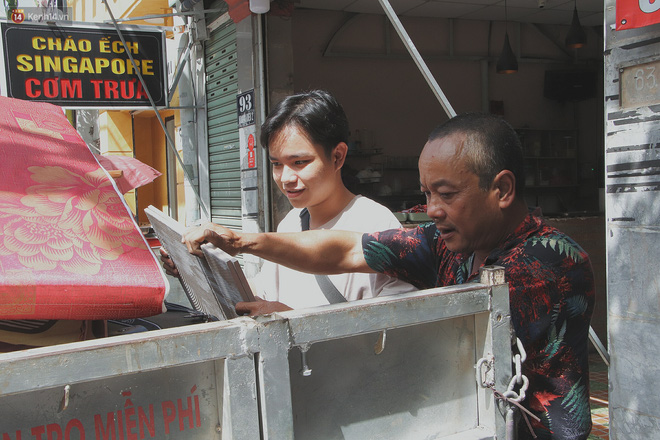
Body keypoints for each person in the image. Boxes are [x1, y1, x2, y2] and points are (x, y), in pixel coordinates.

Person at [181, 113, 595, 439]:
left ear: (502, 190)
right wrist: (240, 241)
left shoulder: (547, 263)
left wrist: (295, 326)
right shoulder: (445, 242)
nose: (432, 209)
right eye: (427, 193)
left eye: (447, 194)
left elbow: (434, 352)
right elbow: (344, 248)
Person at [163, 90, 413, 316]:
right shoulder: (292, 222)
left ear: (337, 157)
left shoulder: (376, 225)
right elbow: (263, 293)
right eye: (276, 164)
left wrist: (294, 319)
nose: (285, 178)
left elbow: (393, 323)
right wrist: (196, 269)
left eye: (300, 162)